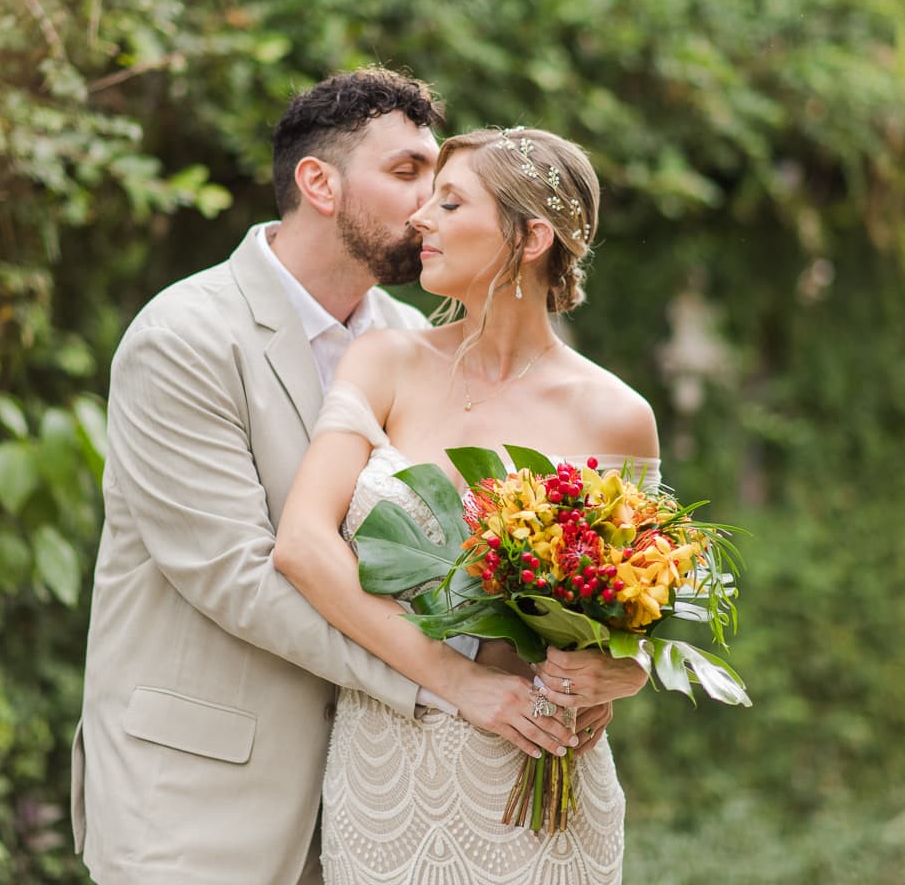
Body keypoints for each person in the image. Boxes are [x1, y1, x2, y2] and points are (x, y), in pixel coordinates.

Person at [70, 71, 585, 884]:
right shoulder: (184, 338)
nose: (427, 208)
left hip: (376, 797)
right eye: (408, 172)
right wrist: (448, 684)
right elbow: (235, 575)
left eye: (441, 185)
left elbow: (458, 565)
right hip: (198, 801)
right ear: (319, 183)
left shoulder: (416, 341)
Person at [273, 126, 657, 883]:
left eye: (450, 203)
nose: (421, 218)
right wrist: (456, 684)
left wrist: (618, 673)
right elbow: (302, 546)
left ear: (532, 236)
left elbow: (635, 617)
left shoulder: (616, 413)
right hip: (388, 770)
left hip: (537, 775)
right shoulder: (384, 359)